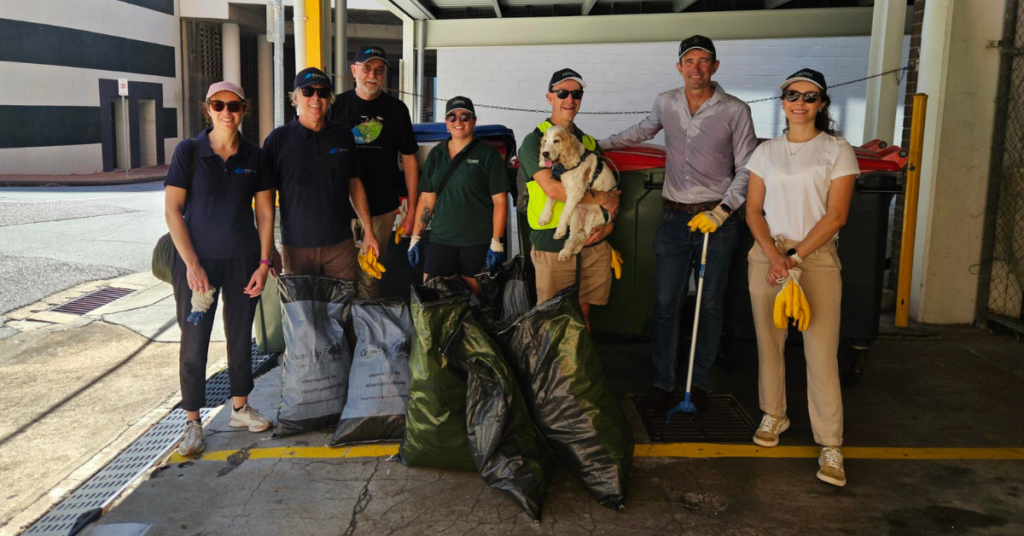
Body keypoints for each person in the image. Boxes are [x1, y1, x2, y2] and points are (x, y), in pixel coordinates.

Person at [600, 35, 757, 414]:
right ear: (679, 67)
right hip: (673, 218)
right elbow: (642, 130)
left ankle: (698, 381)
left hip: (717, 221)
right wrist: (597, 145)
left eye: (705, 61)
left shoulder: (735, 110)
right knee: (666, 304)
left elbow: (749, 165)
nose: (697, 68)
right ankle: (662, 380)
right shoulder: (666, 102)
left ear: (715, 67)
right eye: (690, 61)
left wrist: (723, 210)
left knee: (710, 305)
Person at [745, 68, 858, 487]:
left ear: (822, 105)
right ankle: (774, 414)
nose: (799, 102)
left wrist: (792, 257)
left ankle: (830, 443)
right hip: (768, 255)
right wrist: (774, 255)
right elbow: (753, 210)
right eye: (792, 95)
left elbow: (837, 215)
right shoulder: (766, 151)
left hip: (815, 258)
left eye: (809, 97)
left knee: (821, 352)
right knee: (769, 342)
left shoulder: (837, 150)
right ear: (783, 101)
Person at [165, 81, 275, 456]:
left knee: (242, 337)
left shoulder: (255, 156)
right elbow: (172, 211)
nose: (226, 112)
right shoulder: (189, 152)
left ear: (244, 110)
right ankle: (193, 422)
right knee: (194, 343)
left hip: (244, 260)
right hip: (199, 266)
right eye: (218, 104)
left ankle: (240, 408)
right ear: (207, 108)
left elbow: (264, 212)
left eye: (234, 105)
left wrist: (264, 263)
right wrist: (192, 264)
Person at [518, 68, 620, 332]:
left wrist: (609, 226)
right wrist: (602, 198)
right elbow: (553, 189)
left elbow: (613, 196)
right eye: (562, 93)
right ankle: (552, 373)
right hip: (551, 241)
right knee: (552, 317)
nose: (570, 99)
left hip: (591, 239)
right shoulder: (534, 141)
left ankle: (580, 372)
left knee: (584, 311)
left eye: (576, 94)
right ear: (549, 98)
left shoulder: (587, 143)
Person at [263, 67, 379, 280]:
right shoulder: (277, 140)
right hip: (296, 248)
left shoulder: (343, 135)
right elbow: (266, 199)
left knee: (340, 311)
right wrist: (269, 248)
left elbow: (354, 184)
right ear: (295, 98)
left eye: (323, 92)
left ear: (329, 99)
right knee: (303, 313)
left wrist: (369, 233)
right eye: (308, 92)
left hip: (340, 245)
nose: (316, 98)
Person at [329, 46, 420, 299]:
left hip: (383, 208)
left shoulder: (397, 109)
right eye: (367, 68)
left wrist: (411, 212)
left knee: (371, 276)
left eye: (379, 70)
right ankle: (344, 335)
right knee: (341, 276)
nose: (373, 74)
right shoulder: (335, 107)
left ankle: (367, 335)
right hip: (340, 208)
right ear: (354, 70)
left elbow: (410, 160)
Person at [407, 97, 509, 295]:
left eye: (464, 116)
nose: (458, 121)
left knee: (476, 306)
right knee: (434, 302)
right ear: (446, 123)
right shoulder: (436, 154)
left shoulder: (488, 154)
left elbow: (500, 201)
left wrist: (497, 242)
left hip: (476, 242)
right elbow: (427, 199)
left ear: (473, 121)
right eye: (452, 117)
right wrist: (416, 237)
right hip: (441, 240)